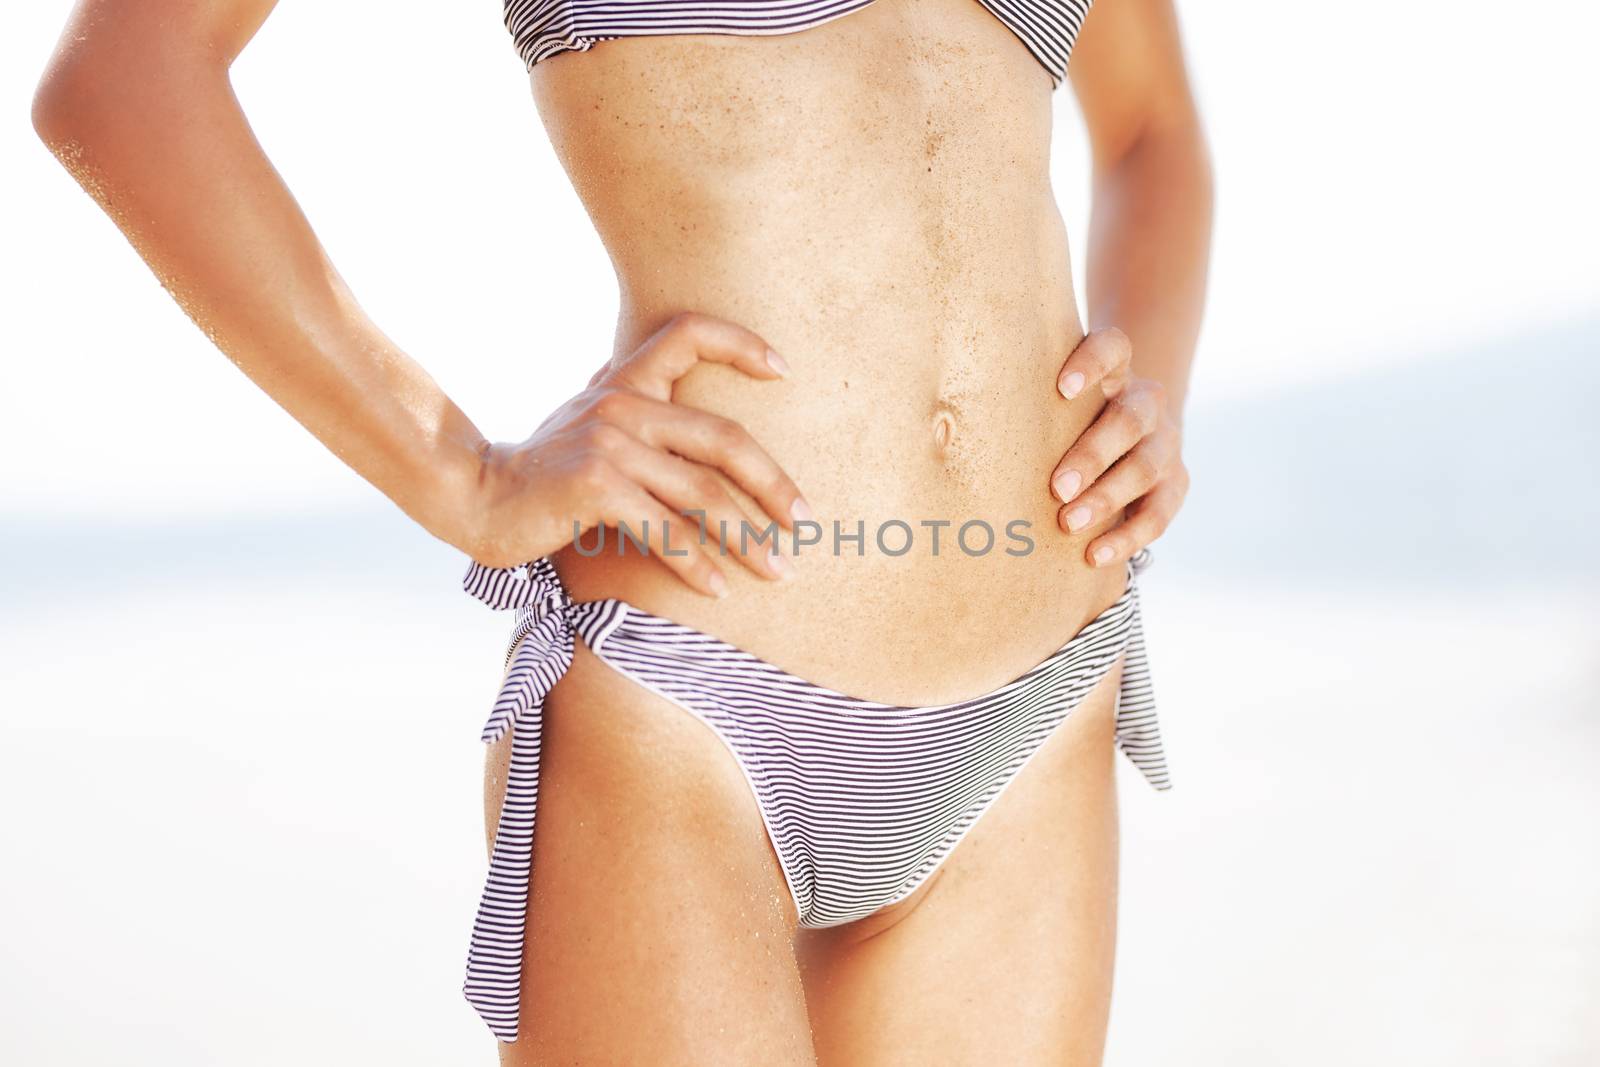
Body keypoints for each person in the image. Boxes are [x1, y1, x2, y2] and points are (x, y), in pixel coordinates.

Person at [32, 0, 1211, 1061]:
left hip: (1040, 699)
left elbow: (1152, 128)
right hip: (686, 718)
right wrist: (465, 479)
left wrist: (1145, 388)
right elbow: (128, 77)